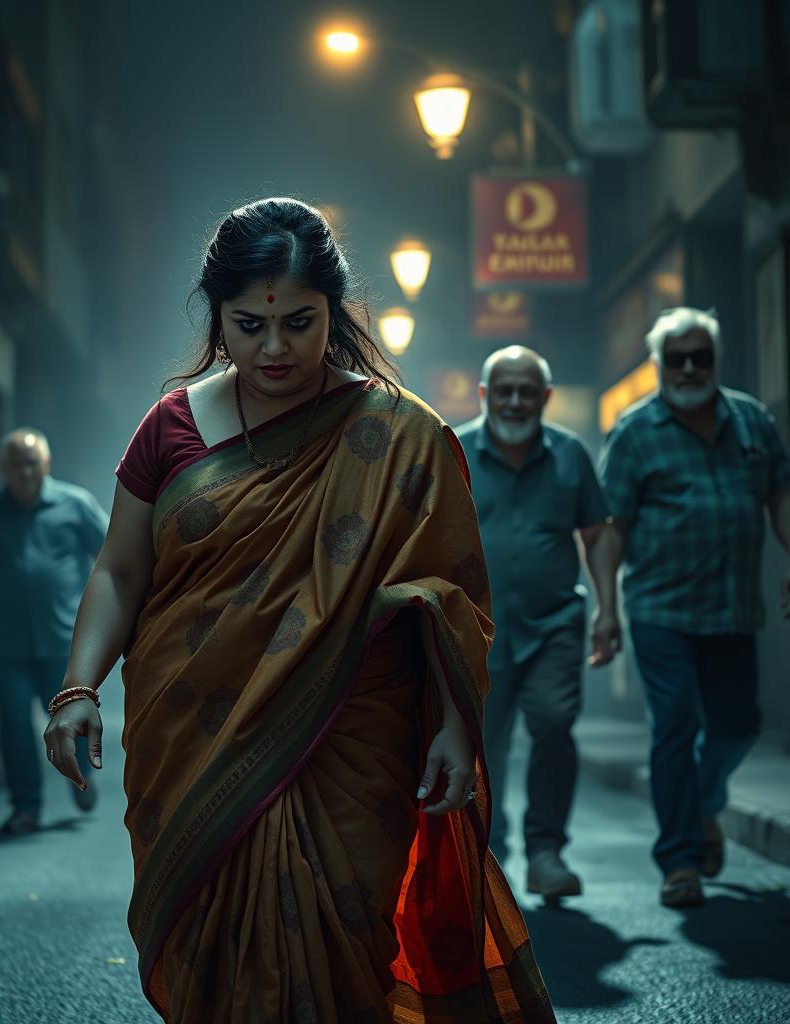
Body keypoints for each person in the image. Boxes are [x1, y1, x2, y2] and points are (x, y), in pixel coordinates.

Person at [43, 199, 556, 1022]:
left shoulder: (398, 435)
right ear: (217, 315)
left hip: (351, 742)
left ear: (334, 311)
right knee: (219, 960)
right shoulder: (169, 429)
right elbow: (120, 568)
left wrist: (458, 726)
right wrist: (77, 689)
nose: (273, 349)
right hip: (193, 735)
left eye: (299, 324)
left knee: (341, 946)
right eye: (248, 325)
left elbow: (446, 595)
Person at [600, 306, 790, 908]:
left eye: (698, 357)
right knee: (676, 723)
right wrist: (606, 608)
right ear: (658, 365)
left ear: (715, 361)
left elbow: (780, 494)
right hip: (660, 609)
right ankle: (679, 860)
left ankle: (707, 803)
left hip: (733, 607)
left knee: (739, 726)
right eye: (674, 358)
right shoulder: (635, 431)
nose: (687, 368)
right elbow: (611, 529)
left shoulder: (752, 421)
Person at [456, 347, 618, 903]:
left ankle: (546, 852)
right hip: (479, 629)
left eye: (528, 391)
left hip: (554, 625)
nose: (516, 401)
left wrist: (607, 608)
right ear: (485, 394)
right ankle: (489, 856)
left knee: (553, 724)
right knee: (486, 745)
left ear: (545, 397)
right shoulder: (453, 451)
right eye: (505, 391)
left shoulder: (571, 455)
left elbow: (597, 534)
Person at [0, 428, 109, 834]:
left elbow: (112, 555)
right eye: (15, 465)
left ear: (45, 464)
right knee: (14, 725)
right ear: (3, 469)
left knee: (73, 718)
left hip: (63, 640)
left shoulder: (75, 504)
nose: (24, 472)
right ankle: (25, 806)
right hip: (7, 644)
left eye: (31, 463)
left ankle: (81, 772)